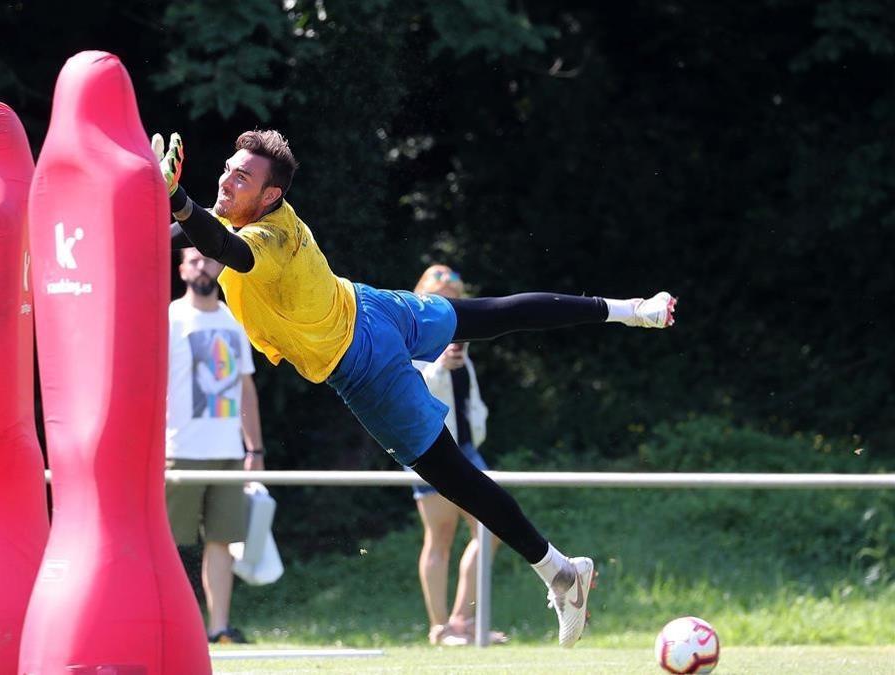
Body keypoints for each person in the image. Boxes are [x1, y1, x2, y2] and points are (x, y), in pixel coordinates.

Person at [155, 129, 677, 647]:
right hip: (370, 306)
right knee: (490, 316)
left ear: (271, 196)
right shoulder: (234, 214)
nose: (225, 179)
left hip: (361, 361)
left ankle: (562, 573)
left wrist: (176, 198)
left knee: (455, 477)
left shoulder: (268, 236)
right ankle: (634, 310)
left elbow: (223, 247)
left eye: (241, 176)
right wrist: (148, 197)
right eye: (227, 167)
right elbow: (185, 233)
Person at [165, 246, 266, 645]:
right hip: (179, 451)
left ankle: (218, 628)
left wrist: (254, 449)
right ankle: (170, 626)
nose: (202, 266)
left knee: (223, 541)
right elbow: (151, 386)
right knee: (171, 544)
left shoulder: (233, 320)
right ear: (181, 269)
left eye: (208, 259)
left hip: (227, 451)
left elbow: (245, 388)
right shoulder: (170, 318)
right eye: (194, 260)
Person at [406, 264, 506, 647]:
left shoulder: (463, 347)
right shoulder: (413, 339)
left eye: (456, 299)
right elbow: (409, 392)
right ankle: (440, 627)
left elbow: (474, 406)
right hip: (427, 447)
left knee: (491, 527)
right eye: (442, 298)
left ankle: (462, 620)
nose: (450, 306)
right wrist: (439, 367)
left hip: (465, 451)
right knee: (440, 536)